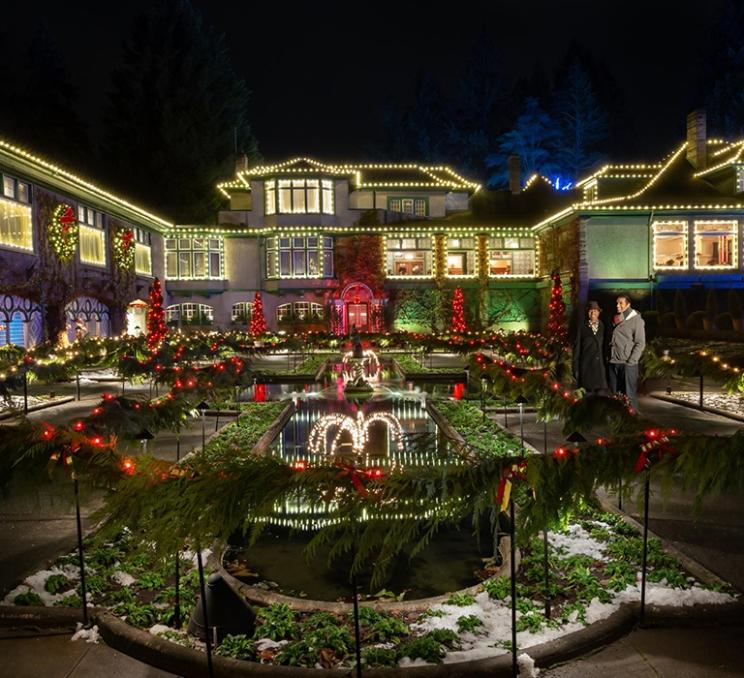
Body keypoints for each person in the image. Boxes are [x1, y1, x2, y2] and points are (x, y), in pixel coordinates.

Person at [608, 294, 645, 410]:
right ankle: (618, 423)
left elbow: (640, 343)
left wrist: (631, 361)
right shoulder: (617, 318)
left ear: (628, 304)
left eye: (620, 303)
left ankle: (633, 423)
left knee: (629, 397)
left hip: (627, 364)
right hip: (614, 362)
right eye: (616, 303)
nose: (617, 305)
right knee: (616, 396)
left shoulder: (636, 320)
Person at [572, 301, 608, 395]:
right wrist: (575, 367)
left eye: (595, 311)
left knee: (600, 397)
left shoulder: (603, 326)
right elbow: (577, 348)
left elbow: (605, 346)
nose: (593, 313)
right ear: (587, 313)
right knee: (587, 396)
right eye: (590, 311)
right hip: (586, 366)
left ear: (599, 313)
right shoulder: (582, 327)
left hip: (599, 367)